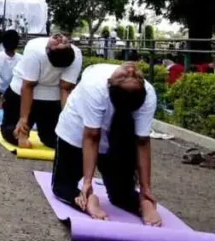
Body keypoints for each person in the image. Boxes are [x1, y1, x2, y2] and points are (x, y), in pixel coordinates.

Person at [51, 63, 161, 226]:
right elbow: (92, 135)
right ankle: (92, 200)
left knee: (61, 187)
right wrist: (88, 183)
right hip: (77, 132)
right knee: (66, 187)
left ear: (110, 82)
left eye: (129, 77)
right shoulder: (146, 91)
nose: (131, 70)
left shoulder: (144, 94)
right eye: (135, 76)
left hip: (115, 138)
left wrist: (146, 189)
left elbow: (141, 140)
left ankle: (140, 203)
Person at [1, 34, 83, 149]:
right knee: (9, 129)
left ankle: (25, 133)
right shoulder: (34, 47)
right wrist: (23, 118)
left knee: (54, 139)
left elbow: (65, 88)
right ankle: (18, 134)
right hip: (21, 92)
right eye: (64, 42)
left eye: (60, 44)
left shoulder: (76, 55)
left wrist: (67, 119)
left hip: (50, 98)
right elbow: (28, 85)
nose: (60, 39)